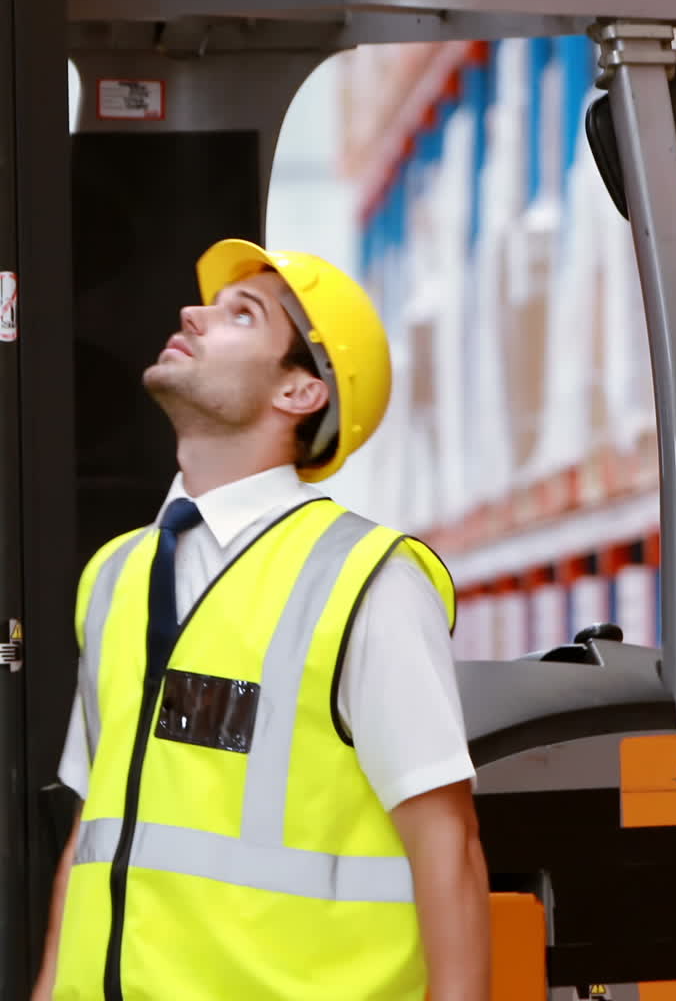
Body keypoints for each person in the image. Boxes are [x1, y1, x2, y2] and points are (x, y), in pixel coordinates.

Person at [33, 238, 491, 1001]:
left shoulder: (367, 580)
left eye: (240, 315)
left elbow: (448, 849)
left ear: (300, 393)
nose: (193, 313)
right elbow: (91, 831)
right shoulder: (115, 576)